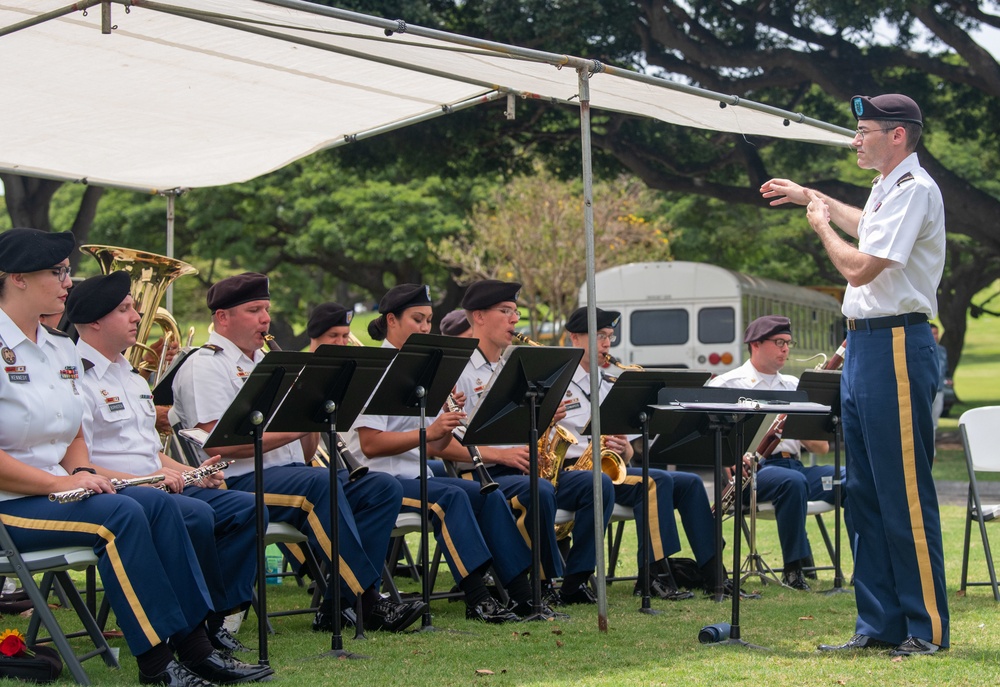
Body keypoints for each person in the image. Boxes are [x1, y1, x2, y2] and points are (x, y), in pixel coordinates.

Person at [0, 228, 271, 686]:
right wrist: (59, 483)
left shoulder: (57, 346)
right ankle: (157, 665)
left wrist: (81, 469)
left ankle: (196, 650)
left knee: (164, 508)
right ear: (18, 278)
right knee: (121, 516)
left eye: (67, 270)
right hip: (13, 504)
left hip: (60, 489)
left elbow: (71, 432)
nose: (68, 281)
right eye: (57, 271)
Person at [760, 92, 948, 655]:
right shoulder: (887, 189)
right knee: (863, 491)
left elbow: (859, 267)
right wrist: (807, 198)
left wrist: (818, 225)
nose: (855, 139)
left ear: (898, 135)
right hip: (865, 346)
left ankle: (925, 629)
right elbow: (864, 221)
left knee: (903, 492)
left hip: (895, 343)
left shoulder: (918, 190)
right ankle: (878, 625)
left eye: (864, 130)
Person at [170, 272, 425, 635]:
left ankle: (335, 604)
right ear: (222, 317)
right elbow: (219, 444)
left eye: (267, 309)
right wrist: (296, 423)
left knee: (380, 488)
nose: (265, 319)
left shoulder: (270, 361)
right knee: (318, 485)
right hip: (238, 481)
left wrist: (313, 413)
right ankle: (365, 600)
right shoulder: (205, 365)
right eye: (254, 310)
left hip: (293, 476)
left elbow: (305, 453)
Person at [67, 271, 260, 657]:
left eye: (134, 307)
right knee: (194, 516)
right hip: (120, 489)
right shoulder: (77, 377)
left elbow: (151, 450)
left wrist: (191, 472)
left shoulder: (132, 376)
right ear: (93, 322)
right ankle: (196, 628)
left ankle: (219, 614)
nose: (137, 316)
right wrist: (154, 477)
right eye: (124, 309)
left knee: (245, 507)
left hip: (156, 482)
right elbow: (80, 464)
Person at [342, 286, 538, 622]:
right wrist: (428, 432)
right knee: (451, 498)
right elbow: (372, 445)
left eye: (429, 321)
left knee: (487, 494)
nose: (425, 328)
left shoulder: (422, 370)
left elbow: (433, 447)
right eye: (417, 319)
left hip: (417, 476)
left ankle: (522, 594)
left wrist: (446, 424)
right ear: (391, 320)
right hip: (381, 482)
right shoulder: (378, 369)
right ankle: (478, 599)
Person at [452, 280, 614, 606]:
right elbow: (443, 446)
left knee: (598, 483)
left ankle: (576, 579)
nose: (515, 319)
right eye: (506, 311)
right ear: (479, 317)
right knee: (539, 491)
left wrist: (543, 422)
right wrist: (502, 454)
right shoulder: (460, 370)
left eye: (516, 312)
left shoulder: (511, 365)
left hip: (522, 468)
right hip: (483, 474)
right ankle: (543, 583)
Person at [559, 306, 726, 599]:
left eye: (609, 336)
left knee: (689, 483)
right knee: (655, 480)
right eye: (599, 336)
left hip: (607, 469)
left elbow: (628, 449)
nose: (607, 344)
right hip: (570, 470)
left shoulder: (611, 385)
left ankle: (714, 573)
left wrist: (624, 450)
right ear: (574, 338)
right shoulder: (558, 383)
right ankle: (653, 574)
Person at [707, 315, 837, 591]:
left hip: (796, 469)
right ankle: (794, 569)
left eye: (789, 343)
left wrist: (800, 422)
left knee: (849, 478)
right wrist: (730, 459)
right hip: (752, 476)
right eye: (779, 342)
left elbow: (821, 448)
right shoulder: (727, 385)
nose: (786, 349)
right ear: (755, 344)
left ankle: (864, 569)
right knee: (792, 483)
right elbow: (709, 439)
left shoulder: (794, 386)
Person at [929, 323, 948, 433]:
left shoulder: (942, 350)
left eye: (936, 333)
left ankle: (933, 450)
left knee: (934, 423)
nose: (935, 336)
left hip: (940, 390)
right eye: (932, 334)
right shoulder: (923, 350)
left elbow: (945, 368)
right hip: (928, 390)